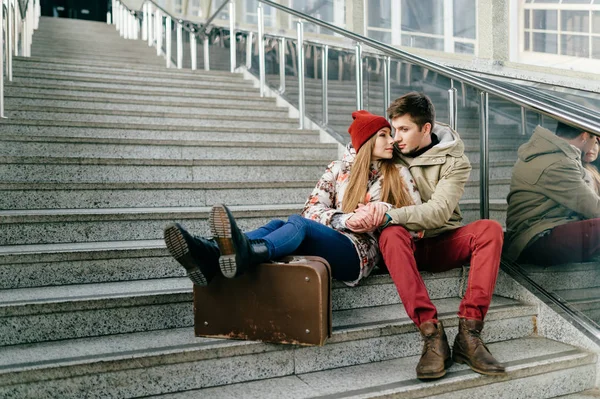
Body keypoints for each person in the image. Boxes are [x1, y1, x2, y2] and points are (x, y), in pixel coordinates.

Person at [163, 110, 422, 288]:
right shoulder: (338, 169)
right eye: (384, 135)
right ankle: (210, 253)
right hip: (338, 236)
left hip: (362, 254)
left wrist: (383, 212)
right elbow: (312, 208)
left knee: (297, 224)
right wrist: (345, 219)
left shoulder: (398, 172)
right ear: (366, 141)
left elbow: (418, 220)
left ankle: (242, 253)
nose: (393, 140)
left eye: (391, 134)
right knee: (279, 224)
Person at [372, 92, 506, 380]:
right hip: (403, 247)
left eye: (404, 129)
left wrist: (389, 214)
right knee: (391, 234)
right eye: (394, 129)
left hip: (441, 241)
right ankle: (431, 334)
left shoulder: (455, 162)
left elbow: (439, 212)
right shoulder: (389, 151)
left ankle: (469, 335)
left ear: (426, 129)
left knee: (490, 229)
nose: (396, 137)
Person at [505, 122, 600, 266]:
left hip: (539, 232)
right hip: (535, 240)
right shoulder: (558, 163)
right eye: (596, 139)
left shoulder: (553, 154)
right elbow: (595, 208)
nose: (595, 144)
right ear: (585, 136)